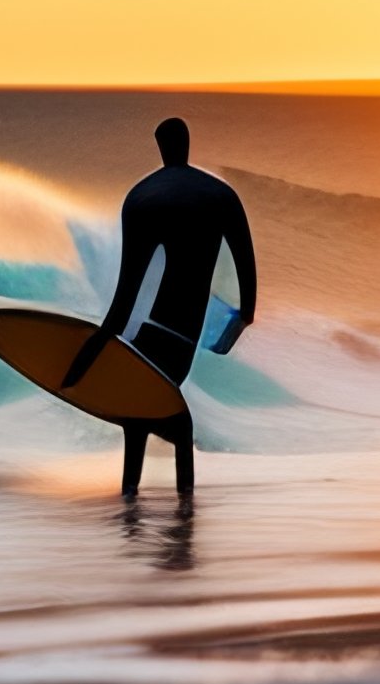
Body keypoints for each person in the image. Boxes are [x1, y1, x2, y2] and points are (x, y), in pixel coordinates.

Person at [62, 116, 256, 499]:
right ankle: (182, 520)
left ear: (160, 148)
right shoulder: (221, 197)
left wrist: (89, 354)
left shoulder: (141, 198)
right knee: (177, 429)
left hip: (144, 337)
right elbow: (247, 269)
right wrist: (240, 322)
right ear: (186, 144)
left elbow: (125, 297)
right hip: (180, 340)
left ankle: (131, 507)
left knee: (139, 420)